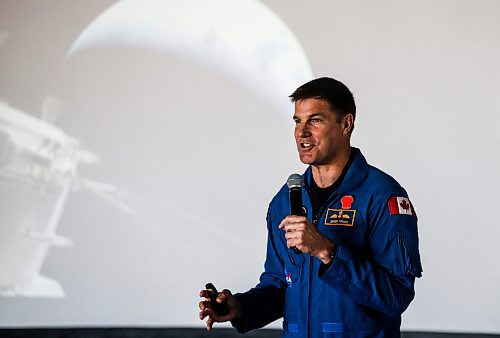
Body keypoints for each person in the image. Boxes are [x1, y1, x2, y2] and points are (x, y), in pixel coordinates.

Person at [199, 77, 422, 338]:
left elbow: (396, 296)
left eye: (315, 120)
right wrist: (240, 307)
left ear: (346, 124)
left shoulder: (384, 196)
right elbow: (281, 284)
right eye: (297, 121)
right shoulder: (284, 200)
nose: (301, 132)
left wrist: (327, 252)